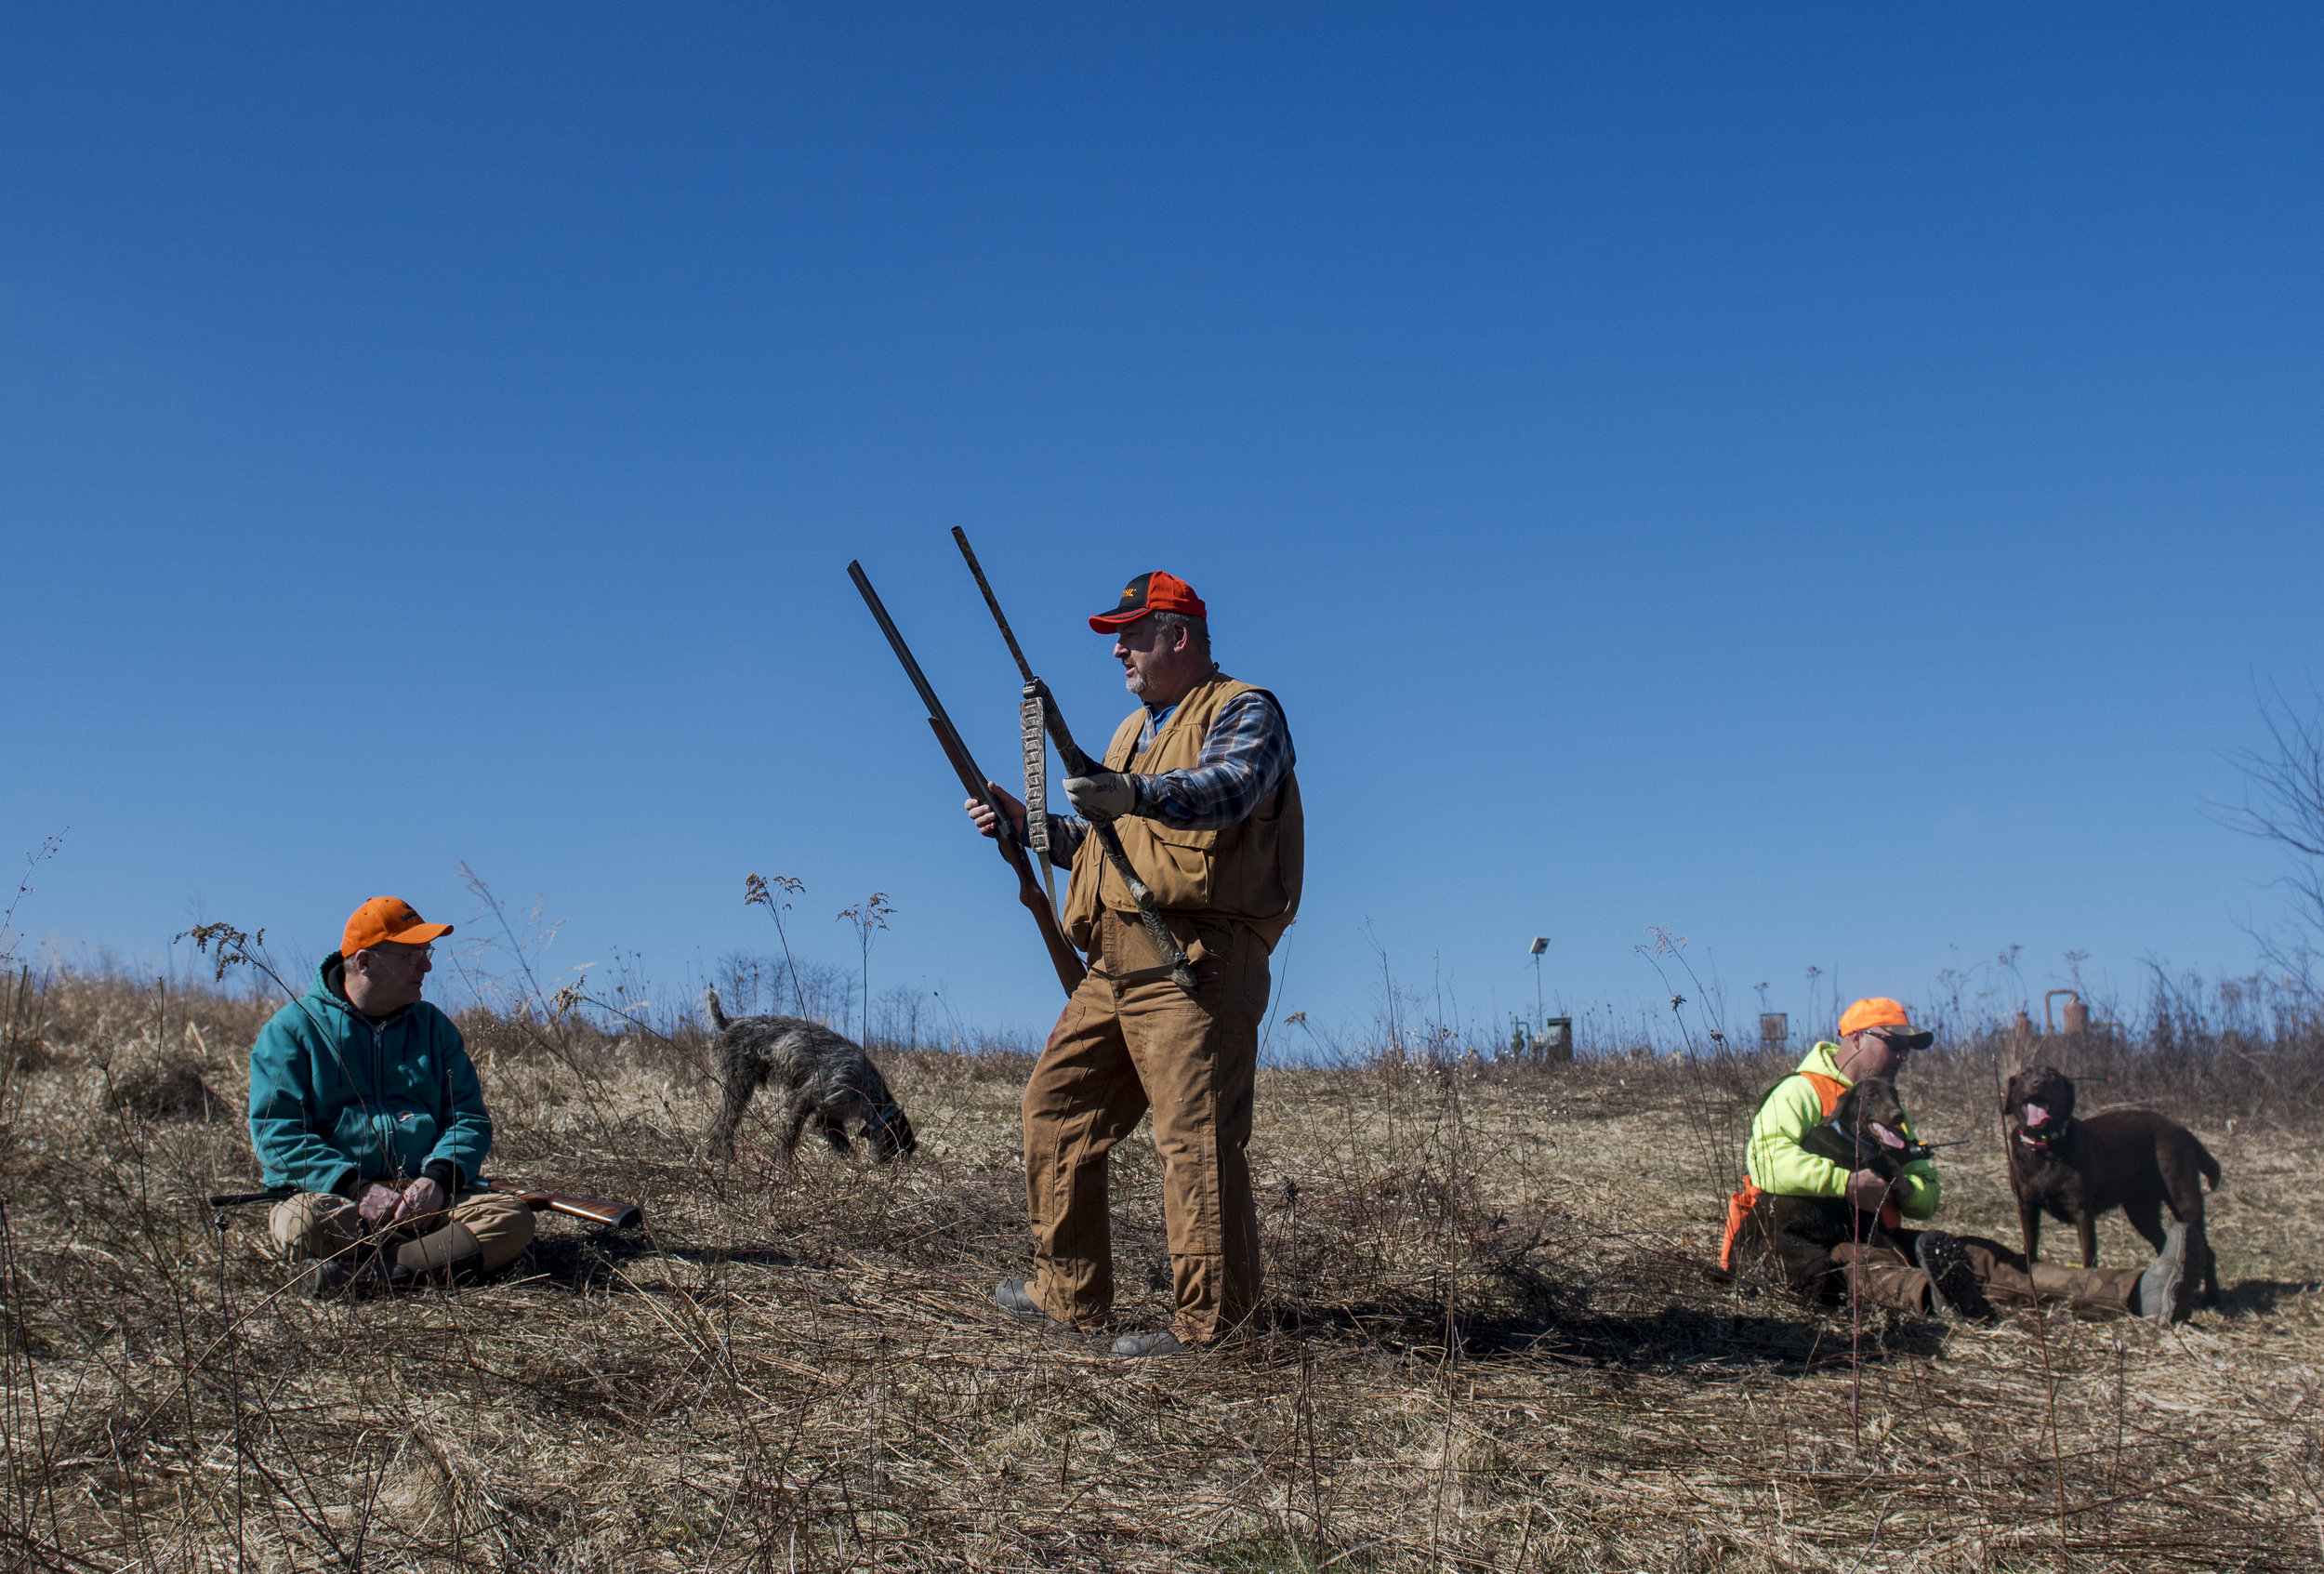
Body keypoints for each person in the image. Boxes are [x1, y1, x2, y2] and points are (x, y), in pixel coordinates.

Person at [967, 570, 1301, 1357]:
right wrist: (1029, 826)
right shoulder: (1130, 734)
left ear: (1177, 635)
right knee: (1054, 1109)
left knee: (1196, 1140)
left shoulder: (1246, 709)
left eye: (1132, 632)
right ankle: (1069, 1295)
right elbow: (1111, 848)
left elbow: (1227, 790)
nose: (1118, 648)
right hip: (1114, 962)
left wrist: (1133, 791)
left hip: (1197, 958)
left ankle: (1215, 1334)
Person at [1721, 997, 2192, 1325]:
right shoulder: (1801, 1091)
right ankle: (1936, 1299)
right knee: (1860, 1268)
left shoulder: (1887, 1108)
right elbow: (1768, 1164)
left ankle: (2138, 1291)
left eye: (1910, 1048)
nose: (1905, 1056)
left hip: (1873, 1230)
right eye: (1895, 1043)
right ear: (1857, 1039)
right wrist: (1846, 1183)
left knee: (1983, 1257)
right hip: (1794, 1239)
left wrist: (1906, 1188)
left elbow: (1927, 1193)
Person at [247, 897, 535, 1298]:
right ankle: (434, 1261)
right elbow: (277, 1134)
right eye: (412, 954)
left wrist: (436, 1180)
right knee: (302, 1223)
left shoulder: (435, 1028)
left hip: (428, 1202)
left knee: (511, 1219)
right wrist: (358, 1189)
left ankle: (357, 1279)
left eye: (426, 952)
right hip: (338, 1201)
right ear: (364, 962)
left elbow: (468, 1118)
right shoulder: (291, 1030)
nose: (427, 965)